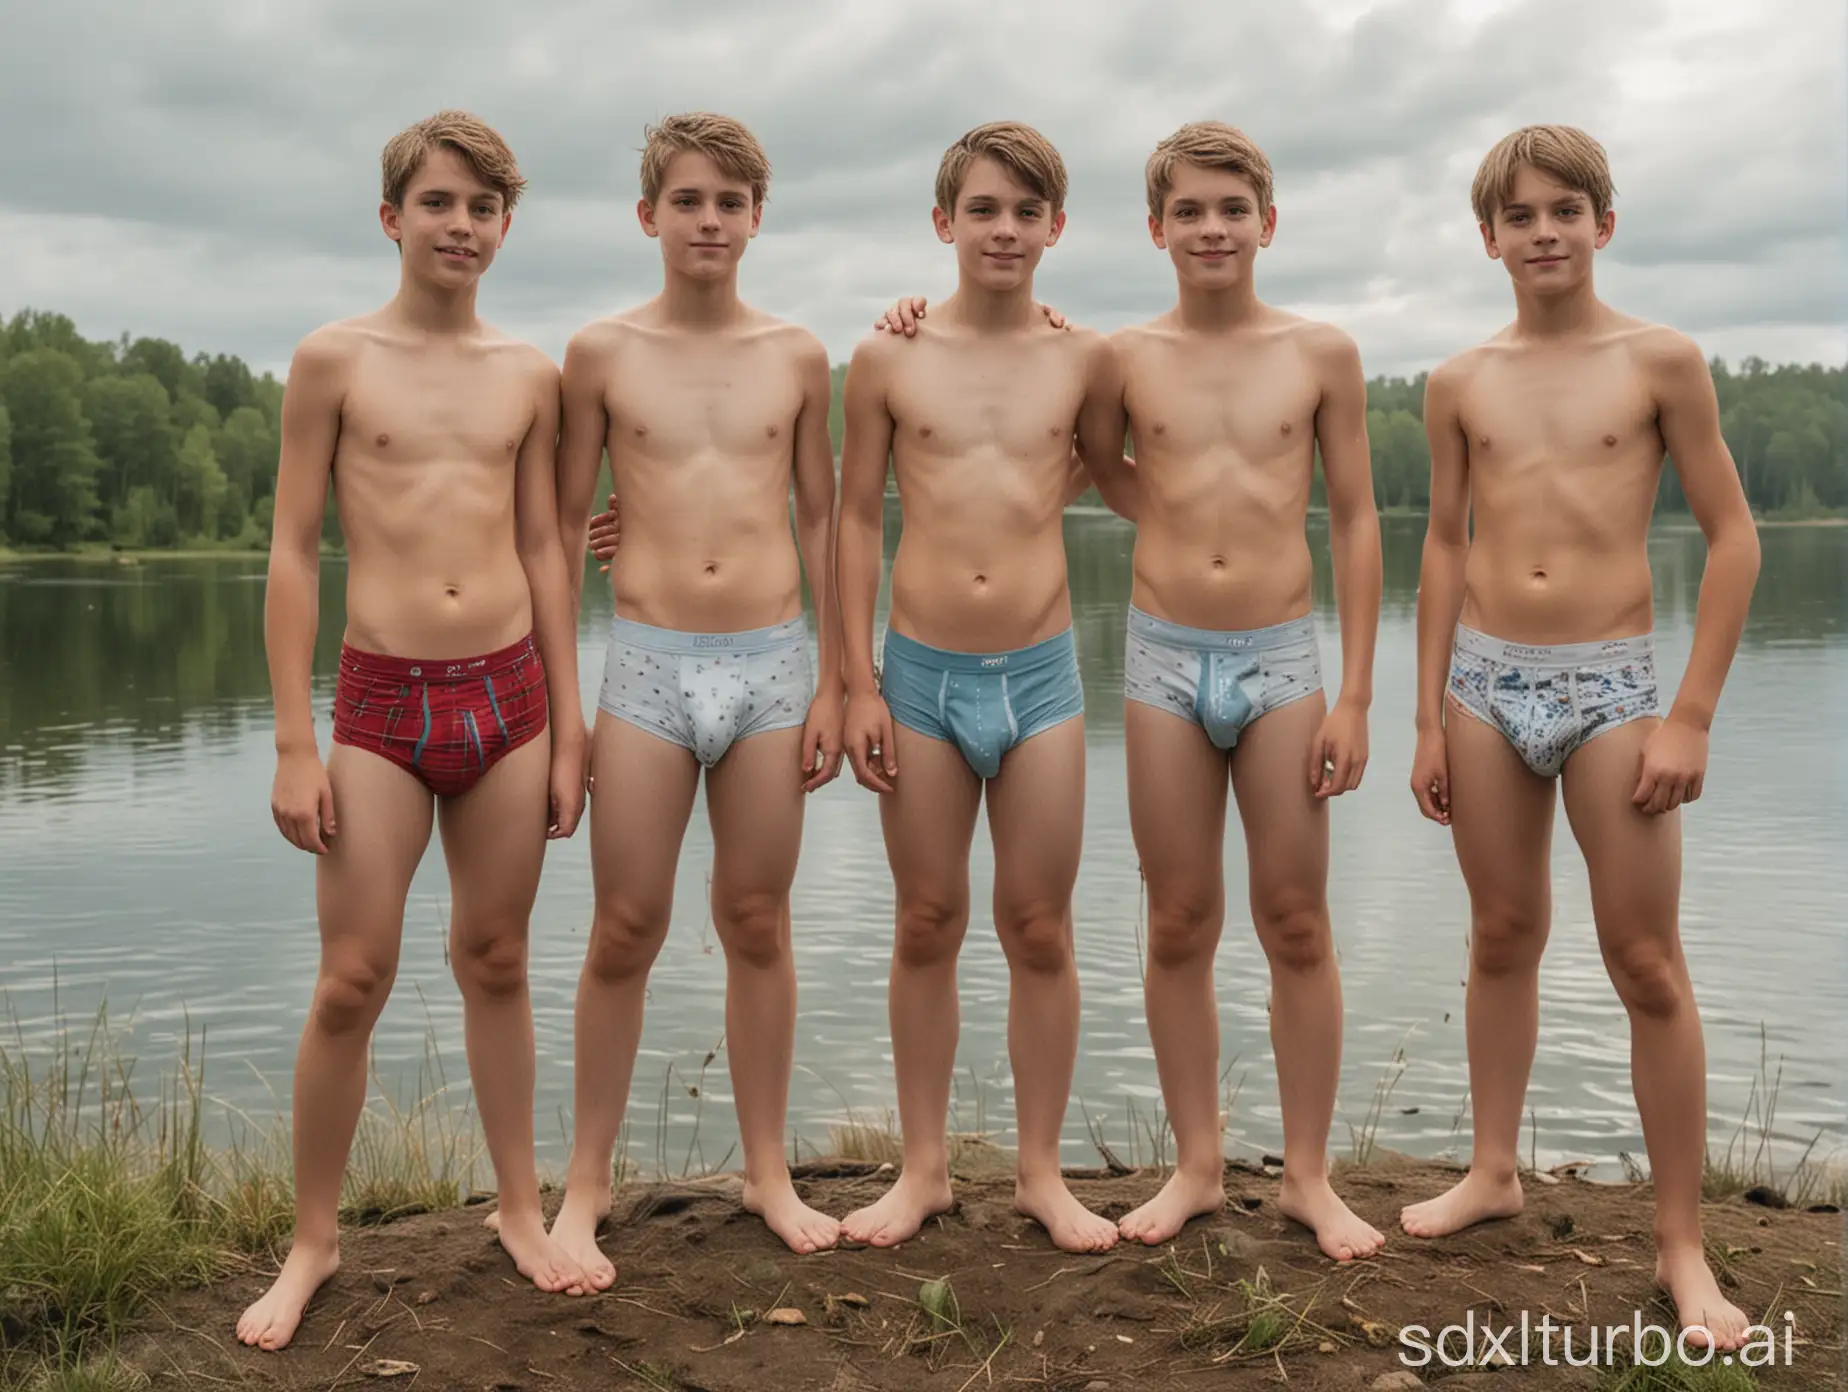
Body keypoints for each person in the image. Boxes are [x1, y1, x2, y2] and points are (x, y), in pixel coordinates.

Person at [878, 120, 1386, 1262]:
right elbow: (1081, 457)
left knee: (1297, 917)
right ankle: (1199, 1164)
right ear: (1156, 229)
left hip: (1283, 660)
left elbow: (1355, 517)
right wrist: (918, 315)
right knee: (1179, 917)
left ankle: (1308, 1174)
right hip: (1160, 655)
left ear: (1268, 220)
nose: (1213, 229)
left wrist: (1357, 694)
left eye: (1233, 209)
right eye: (1191, 212)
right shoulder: (1116, 356)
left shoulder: (1323, 352)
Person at [1400, 125, 1761, 1351]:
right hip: (1485, 685)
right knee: (1501, 934)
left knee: (1645, 960)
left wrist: (1692, 715)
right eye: (1521, 215)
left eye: (1566, 209)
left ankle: (1681, 1247)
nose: (1544, 231)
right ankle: (1494, 1169)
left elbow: (1732, 537)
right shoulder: (1459, 382)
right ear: (1488, 236)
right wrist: (1426, 720)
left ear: (1604, 223)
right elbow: (1444, 545)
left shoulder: (1659, 361)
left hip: (1616, 688)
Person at [242, 111, 588, 1351]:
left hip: (510, 699)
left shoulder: (530, 373)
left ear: (506, 225)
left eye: (485, 208)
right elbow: (289, 549)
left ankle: (519, 1207)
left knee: (496, 958)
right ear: (394, 217)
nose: (462, 226)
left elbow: (548, 548)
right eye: (440, 203)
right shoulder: (334, 361)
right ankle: (313, 1243)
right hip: (381, 706)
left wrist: (574, 725)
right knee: (353, 977)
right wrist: (294, 739)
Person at [546, 112, 845, 1290]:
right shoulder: (601, 352)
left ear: (758, 217)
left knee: (758, 919)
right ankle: (585, 1183)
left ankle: (766, 1171)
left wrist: (840, 677)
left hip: (773, 664)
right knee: (624, 925)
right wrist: (567, 712)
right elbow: (558, 521)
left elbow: (824, 518)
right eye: (687, 200)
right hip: (648, 667)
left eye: (730, 200)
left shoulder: (800, 354)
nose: (709, 220)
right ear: (648, 216)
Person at [831, 121, 1128, 1255]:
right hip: (918, 677)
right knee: (925, 920)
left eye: (1028, 211)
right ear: (944, 221)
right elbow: (852, 516)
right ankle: (922, 1170)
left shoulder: (1082, 358)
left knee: (1039, 925)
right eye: (985, 209)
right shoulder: (888, 357)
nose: (1006, 229)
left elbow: (1127, 482)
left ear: (1056, 227)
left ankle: (1043, 1176)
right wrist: (856, 683)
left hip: (1044, 676)